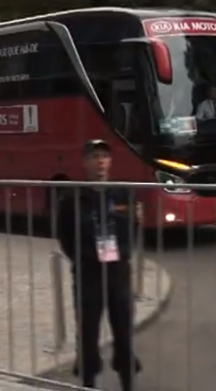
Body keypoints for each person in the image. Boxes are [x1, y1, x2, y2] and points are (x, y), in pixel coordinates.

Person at [57, 139, 142, 390]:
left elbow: (132, 227)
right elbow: (64, 235)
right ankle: (88, 380)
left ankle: (127, 378)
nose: (100, 162)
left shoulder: (123, 193)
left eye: (104, 156)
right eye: (94, 157)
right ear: (85, 163)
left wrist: (124, 254)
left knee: (124, 330)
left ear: (110, 162)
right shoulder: (73, 198)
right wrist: (83, 257)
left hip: (118, 272)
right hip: (88, 273)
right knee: (88, 332)